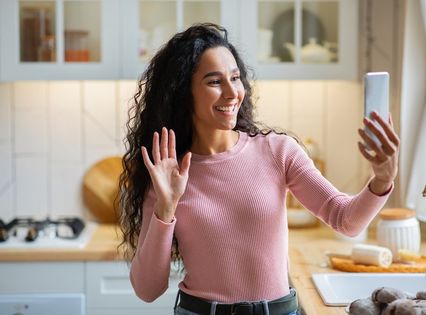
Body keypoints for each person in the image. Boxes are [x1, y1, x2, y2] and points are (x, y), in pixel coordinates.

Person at [118, 23, 400, 315]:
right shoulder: (168, 174)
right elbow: (147, 290)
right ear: (183, 92)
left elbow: (346, 220)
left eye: (236, 78)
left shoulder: (278, 151)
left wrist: (381, 180)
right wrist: (166, 206)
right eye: (214, 82)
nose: (232, 93)